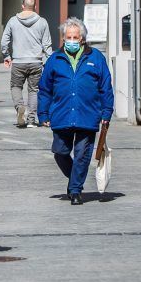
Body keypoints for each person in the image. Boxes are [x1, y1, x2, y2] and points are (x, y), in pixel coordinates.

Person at [38, 17, 113, 206]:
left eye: (75, 37)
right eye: (67, 37)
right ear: (63, 38)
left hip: (88, 114)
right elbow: (45, 88)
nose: (71, 40)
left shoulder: (95, 57)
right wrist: (43, 113)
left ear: (82, 39)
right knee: (60, 151)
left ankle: (75, 190)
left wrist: (106, 112)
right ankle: (75, 179)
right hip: (62, 114)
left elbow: (105, 87)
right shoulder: (55, 59)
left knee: (82, 154)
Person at [0, 0, 52, 128]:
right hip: (36, 62)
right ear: (35, 7)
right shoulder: (42, 22)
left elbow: (4, 41)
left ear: (22, 6)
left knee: (16, 87)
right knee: (34, 90)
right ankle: (31, 120)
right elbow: (47, 45)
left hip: (18, 62)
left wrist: (6, 56)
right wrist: (49, 61)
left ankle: (19, 108)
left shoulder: (13, 21)